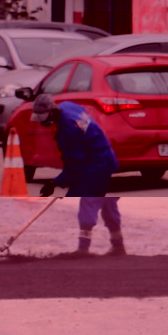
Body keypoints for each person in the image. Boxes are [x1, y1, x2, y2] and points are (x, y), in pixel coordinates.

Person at [31, 94, 124, 256]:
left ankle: (83, 249)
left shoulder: (68, 130)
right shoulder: (68, 106)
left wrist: (55, 183)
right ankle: (118, 246)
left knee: (86, 200)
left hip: (96, 165)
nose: (41, 122)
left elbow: (75, 165)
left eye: (43, 117)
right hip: (105, 158)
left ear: (52, 112)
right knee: (107, 203)